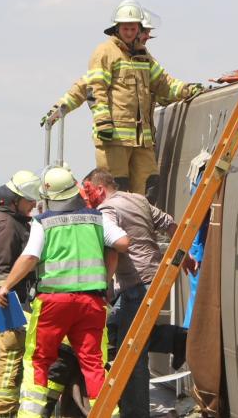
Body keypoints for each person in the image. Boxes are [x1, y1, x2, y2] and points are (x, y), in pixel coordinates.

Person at [0, 167, 130, 417]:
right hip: (92, 302)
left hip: (53, 303)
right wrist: (105, 275)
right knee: (94, 364)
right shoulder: (97, 218)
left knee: (38, 361)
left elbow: (30, 256)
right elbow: (121, 243)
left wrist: (6, 285)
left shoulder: (43, 222)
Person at [43, 1, 201, 203]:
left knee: (148, 190)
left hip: (142, 141)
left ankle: (141, 232)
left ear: (138, 29)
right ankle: (115, 233)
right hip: (114, 139)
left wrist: (188, 90)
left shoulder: (143, 56)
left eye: (133, 28)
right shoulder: (105, 52)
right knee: (115, 193)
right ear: (117, 28)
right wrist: (72, 114)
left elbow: (164, 84)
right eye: (125, 27)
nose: (129, 32)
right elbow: (92, 86)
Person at [83, 168, 187, 418]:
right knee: (119, 332)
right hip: (156, 277)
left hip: (135, 285)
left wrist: (104, 287)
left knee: (132, 353)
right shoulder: (139, 199)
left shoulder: (106, 210)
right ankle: (176, 338)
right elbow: (170, 224)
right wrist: (187, 254)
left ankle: (136, 413)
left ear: (100, 189)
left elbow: (112, 249)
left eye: (90, 193)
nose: (90, 199)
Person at [0, 171, 41, 417]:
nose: (34, 205)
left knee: (17, 353)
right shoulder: (6, 225)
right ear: (14, 199)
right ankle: (4, 410)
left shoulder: (14, 220)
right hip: (8, 299)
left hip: (15, 297)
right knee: (10, 354)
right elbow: (2, 268)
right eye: (30, 201)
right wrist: (4, 298)